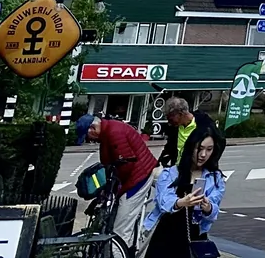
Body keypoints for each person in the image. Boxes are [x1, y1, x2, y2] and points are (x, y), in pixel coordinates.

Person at [76, 113, 159, 256]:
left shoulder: (114, 133)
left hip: (137, 178)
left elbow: (125, 165)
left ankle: (120, 253)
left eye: (88, 136)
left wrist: (116, 189)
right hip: (140, 172)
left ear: (93, 128)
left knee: (121, 227)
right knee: (124, 219)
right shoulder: (109, 132)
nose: (90, 141)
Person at [142, 128, 226, 258]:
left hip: (196, 236)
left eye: (209, 149)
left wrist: (208, 208)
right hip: (167, 235)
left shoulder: (214, 178)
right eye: (200, 148)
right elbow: (163, 202)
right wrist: (181, 202)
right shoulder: (171, 173)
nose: (203, 154)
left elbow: (214, 212)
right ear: (191, 147)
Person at [157, 97, 219, 167]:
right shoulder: (175, 128)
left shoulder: (204, 124)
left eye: (170, 119)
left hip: (197, 170)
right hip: (178, 170)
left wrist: (211, 163)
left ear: (180, 114)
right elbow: (170, 146)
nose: (169, 123)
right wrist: (162, 160)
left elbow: (219, 143)